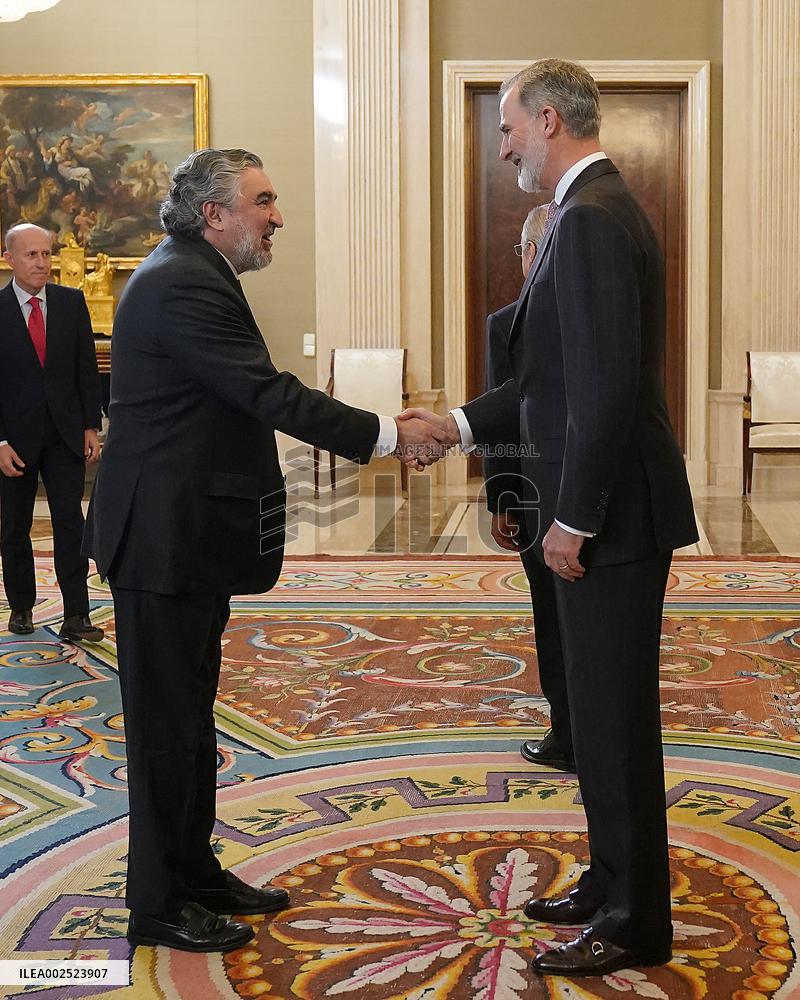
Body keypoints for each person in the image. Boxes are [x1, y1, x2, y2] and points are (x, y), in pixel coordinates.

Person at [84, 148, 445, 955]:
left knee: (189, 719)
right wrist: (389, 435)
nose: (277, 216)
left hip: (183, 537)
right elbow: (266, 391)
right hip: (162, 542)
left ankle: (194, 871)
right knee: (166, 730)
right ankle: (157, 902)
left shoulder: (193, 272)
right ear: (214, 214)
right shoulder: (181, 282)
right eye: (264, 201)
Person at [401, 58, 698, 977]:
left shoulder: (593, 219)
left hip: (612, 520)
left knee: (614, 721)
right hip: (602, 511)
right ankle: (610, 881)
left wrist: (574, 519)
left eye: (509, 128)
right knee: (596, 717)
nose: (504, 147)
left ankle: (635, 920)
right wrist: (454, 426)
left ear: (548, 120)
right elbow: (547, 383)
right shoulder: (584, 213)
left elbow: (606, 393)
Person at [483, 204, 576, 773]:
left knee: (562, 618)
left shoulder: (516, 322)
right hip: (559, 494)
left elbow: (505, 423)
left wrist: (505, 499)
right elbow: (503, 417)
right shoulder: (506, 323)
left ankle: (573, 732)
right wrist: (503, 498)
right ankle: (575, 728)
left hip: (556, 495)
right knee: (566, 617)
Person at [0, 224, 103, 642]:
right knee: (14, 526)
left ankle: (77, 614)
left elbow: (86, 368)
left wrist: (91, 425)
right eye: (32, 255)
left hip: (65, 435)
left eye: (47, 254)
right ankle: (22, 606)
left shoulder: (70, 302)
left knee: (70, 523)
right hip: (14, 442)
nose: (42, 263)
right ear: (10, 259)